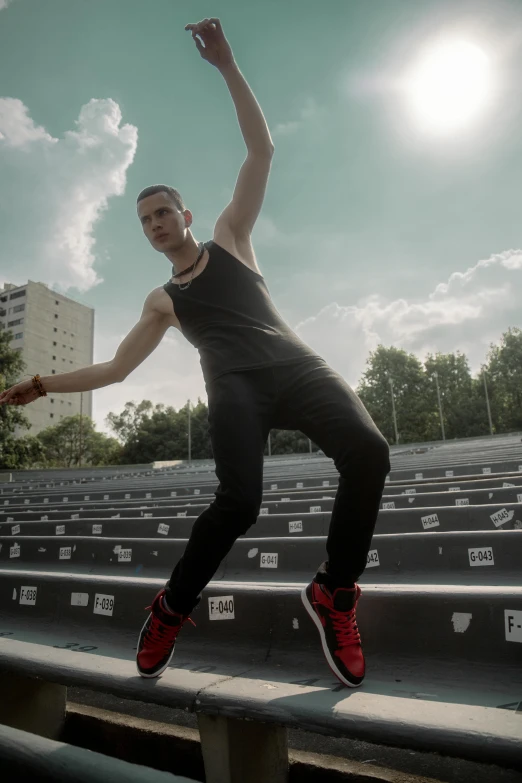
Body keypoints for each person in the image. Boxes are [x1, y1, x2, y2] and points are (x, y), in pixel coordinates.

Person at [0, 19, 390, 687]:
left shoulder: (229, 236)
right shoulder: (162, 302)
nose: (155, 224)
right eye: (144, 219)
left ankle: (335, 591)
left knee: (370, 451)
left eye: (162, 212)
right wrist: (40, 383)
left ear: (186, 214)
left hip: (295, 364)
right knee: (239, 502)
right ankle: (170, 608)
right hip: (235, 385)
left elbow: (262, 150)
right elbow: (116, 370)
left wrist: (228, 67)